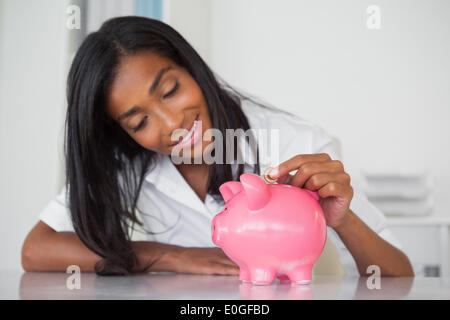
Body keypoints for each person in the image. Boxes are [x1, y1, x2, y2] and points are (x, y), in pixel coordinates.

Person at [21, 16, 414, 277]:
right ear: (121, 132)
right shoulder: (129, 162)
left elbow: (397, 276)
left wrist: (341, 219)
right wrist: (169, 256)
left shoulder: (292, 141)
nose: (172, 124)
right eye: (139, 121)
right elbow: (36, 250)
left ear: (192, 67)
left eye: (170, 90)